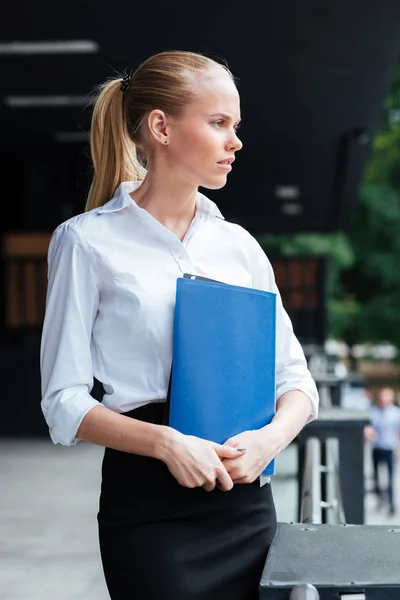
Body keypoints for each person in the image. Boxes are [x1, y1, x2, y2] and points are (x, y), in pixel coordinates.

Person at [40, 50, 319, 600]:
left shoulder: (240, 246)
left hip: (245, 507)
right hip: (149, 511)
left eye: (235, 126)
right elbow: (63, 402)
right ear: (161, 127)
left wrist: (267, 443)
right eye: (219, 123)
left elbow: (297, 383)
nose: (235, 142)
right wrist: (168, 444)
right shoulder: (85, 241)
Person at [364, 386, 400, 515]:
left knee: (391, 478)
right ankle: (380, 500)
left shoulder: (396, 413)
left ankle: (391, 504)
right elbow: (368, 426)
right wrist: (368, 432)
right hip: (377, 447)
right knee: (377, 476)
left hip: (390, 448)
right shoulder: (373, 411)